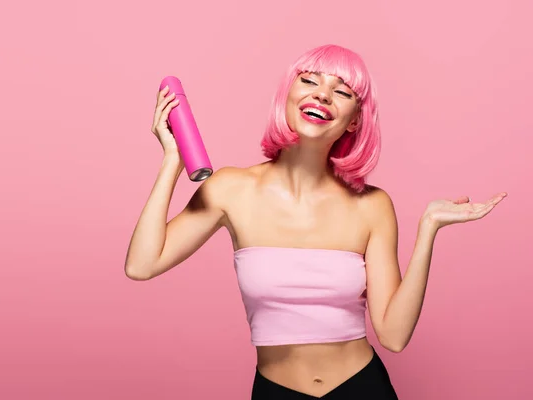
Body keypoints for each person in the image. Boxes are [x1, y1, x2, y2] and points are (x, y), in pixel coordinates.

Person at [124, 44, 506, 399]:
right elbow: (142, 264)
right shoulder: (230, 189)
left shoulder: (371, 206)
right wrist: (172, 161)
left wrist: (429, 228)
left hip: (363, 388)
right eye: (309, 81)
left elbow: (393, 335)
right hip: (275, 391)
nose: (322, 94)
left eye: (342, 92)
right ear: (287, 96)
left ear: (355, 121)